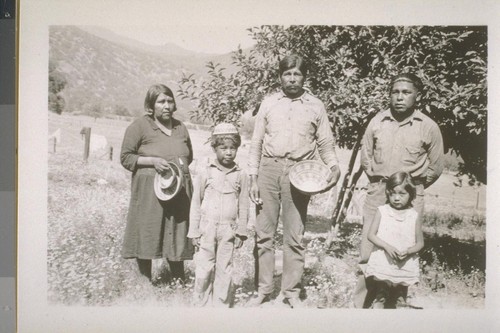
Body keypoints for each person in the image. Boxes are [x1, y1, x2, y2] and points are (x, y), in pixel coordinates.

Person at [248, 54, 341, 308]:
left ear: (304, 76)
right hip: (268, 169)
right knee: (263, 234)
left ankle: (291, 292)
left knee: (295, 235)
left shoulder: (315, 106)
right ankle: (263, 290)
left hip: (299, 175)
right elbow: (256, 142)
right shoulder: (268, 104)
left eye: (296, 74)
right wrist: (253, 177)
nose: (292, 78)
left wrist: (334, 166)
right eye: (287, 73)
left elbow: (324, 142)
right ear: (280, 77)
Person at [354, 73, 444, 308]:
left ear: (417, 96)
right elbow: (366, 156)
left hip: (410, 194)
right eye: (395, 92)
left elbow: (436, 167)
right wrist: (378, 185)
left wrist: (411, 190)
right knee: (369, 246)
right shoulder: (377, 121)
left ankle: (397, 302)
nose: (400, 97)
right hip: (378, 190)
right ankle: (363, 304)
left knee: (405, 247)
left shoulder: (428, 127)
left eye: (406, 92)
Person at [120, 84, 194, 282]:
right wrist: (153, 161)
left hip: (178, 189)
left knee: (177, 231)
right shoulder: (139, 127)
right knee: (148, 228)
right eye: (161, 102)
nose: (167, 105)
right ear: (151, 105)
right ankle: (145, 281)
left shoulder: (181, 128)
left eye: (170, 101)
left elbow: (190, 156)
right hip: (149, 189)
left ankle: (178, 279)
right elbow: (126, 157)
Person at [188, 123, 249, 307]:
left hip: (228, 230)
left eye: (232, 148)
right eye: (223, 148)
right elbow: (196, 203)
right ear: (215, 148)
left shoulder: (241, 174)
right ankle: (200, 304)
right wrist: (194, 231)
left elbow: (244, 204)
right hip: (207, 228)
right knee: (204, 268)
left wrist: (241, 231)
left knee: (225, 269)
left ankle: (221, 306)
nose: (228, 152)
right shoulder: (205, 172)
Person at [365, 171, 424, 308]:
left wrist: (409, 251)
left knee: (400, 296)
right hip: (384, 257)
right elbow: (371, 235)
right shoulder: (382, 211)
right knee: (381, 292)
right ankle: (378, 306)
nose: (397, 198)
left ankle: (399, 311)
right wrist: (387, 247)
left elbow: (420, 243)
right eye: (392, 193)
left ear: (411, 194)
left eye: (402, 194)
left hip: (404, 260)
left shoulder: (413, 215)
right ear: (387, 193)